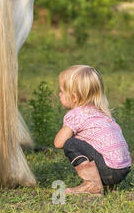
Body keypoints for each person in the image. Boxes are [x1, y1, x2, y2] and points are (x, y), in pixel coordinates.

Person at [54, 65, 131, 196]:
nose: (58, 94)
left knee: (70, 143)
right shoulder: (100, 113)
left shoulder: (76, 114)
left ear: (74, 97)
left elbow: (58, 143)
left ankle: (92, 184)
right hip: (123, 169)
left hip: (110, 170)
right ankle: (105, 184)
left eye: (61, 91)